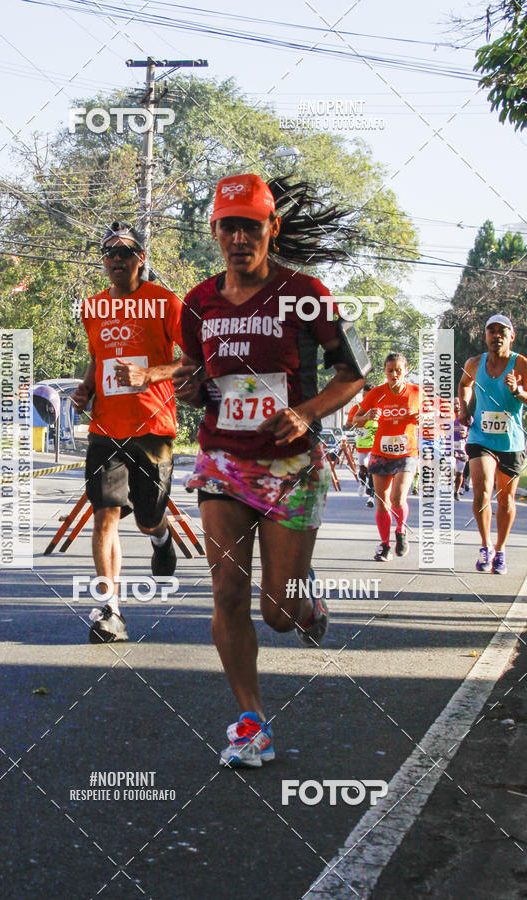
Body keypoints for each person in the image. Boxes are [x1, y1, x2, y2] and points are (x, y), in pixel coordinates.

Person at [173, 174, 365, 767]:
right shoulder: (197, 303)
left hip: (291, 467)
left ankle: (308, 606)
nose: (238, 238)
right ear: (215, 231)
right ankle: (251, 723)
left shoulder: (305, 293)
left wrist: (306, 413)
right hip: (223, 462)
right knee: (226, 590)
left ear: (272, 229)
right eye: (227, 226)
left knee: (279, 613)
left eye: (250, 227)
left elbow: (353, 374)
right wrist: (190, 388)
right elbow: (191, 375)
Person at [72, 223, 183, 642]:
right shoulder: (93, 308)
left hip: (152, 427)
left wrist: (148, 374)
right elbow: (96, 359)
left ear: (141, 258)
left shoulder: (166, 303)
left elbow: (194, 360)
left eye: (126, 252)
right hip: (105, 428)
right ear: (103, 261)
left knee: (147, 517)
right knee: (105, 515)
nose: (117, 259)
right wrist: (86, 388)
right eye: (110, 253)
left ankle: (161, 535)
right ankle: (110, 610)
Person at [458, 314, 527, 574]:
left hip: (511, 440)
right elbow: (464, 384)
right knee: (482, 492)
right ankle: (485, 545)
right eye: (491, 331)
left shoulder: (521, 364)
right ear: (485, 335)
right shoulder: (475, 363)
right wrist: (464, 408)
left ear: (511, 336)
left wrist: (517, 391)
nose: (496, 335)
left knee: (506, 500)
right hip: (481, 437)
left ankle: (500, 550)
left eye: (502, 331)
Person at [354, 353, 420, 561]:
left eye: (398, 370)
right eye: (390, 370)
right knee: (382, 501)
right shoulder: (376, 393)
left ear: (405, 370)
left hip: (406, 453)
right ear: (385, 371)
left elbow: (434, 418)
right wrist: (366, 417)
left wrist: (424, 418)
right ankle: (385, 545)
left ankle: (401, 530)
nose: (394, 374)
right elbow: (355, 419)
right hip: (381, 454)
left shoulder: (416, 392)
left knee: (397, 498)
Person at [346, 384, 376, 507]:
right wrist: (361, 422)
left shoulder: (379, 408)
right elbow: (348, 424)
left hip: (375, 445)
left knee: (373, 469)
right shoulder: (357, 408)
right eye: (364, 396)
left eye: (369, 397)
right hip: (362, 443)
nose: (366, 399)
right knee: (363, 468)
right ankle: (363, 483)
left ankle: (371, 496)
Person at [453, 398, 468, 500]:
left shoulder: (467, 417)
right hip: (449, 447)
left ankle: (456, 492)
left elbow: (474, 430)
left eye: (458, 404)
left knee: (459, 473)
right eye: (454, 404)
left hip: (462, 449)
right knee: (450, 468)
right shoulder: (448, 417)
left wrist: (466, 434)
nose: (457, 406)